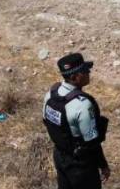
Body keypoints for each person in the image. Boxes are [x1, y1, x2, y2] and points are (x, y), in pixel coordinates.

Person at [43, 53, 110, 188]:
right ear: (74, 77)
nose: (88, 72)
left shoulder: (51, 94)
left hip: (59, 156)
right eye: (84, 71)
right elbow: (92, 142)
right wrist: (103, 165)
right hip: (80, 165)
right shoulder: (82, 105)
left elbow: (46, 121)